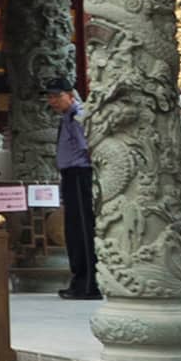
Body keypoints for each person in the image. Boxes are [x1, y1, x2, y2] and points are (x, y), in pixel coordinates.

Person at [57, 85, 102, 300]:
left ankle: (89, 284)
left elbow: (88, 147)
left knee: (83, 229)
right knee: (73, 229)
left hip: (80, 174)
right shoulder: (67, 116)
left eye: (57, 96)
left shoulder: (78, 116)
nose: (52, 101)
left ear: (69, 95)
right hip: (69, 175)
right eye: (49, 97)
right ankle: (79, 280)